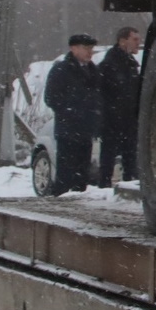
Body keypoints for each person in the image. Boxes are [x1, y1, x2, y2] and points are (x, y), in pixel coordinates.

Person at [42, 33, 103, 193]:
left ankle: (77, 199)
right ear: (73, 48)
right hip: (68, 130)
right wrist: (71, 111)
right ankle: (60, 202)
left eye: (91, 49)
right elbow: (51, 98)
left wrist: (95, 118)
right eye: (86, 48)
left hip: (86, 130)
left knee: (82, 174)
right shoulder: (62, 69)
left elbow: (98, 98)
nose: (90, 52)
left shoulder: (93, 71)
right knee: (66, 173)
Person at [98, 26, 143, 183]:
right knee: (108, 158)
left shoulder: (131, 64)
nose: (139, 43)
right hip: (112, 120)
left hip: (129, 120)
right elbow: (102, 92)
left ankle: (129, 183)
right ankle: (104, 186)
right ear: (123, 41)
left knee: (130, 157)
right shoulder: (110, 64)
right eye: (135, 39)